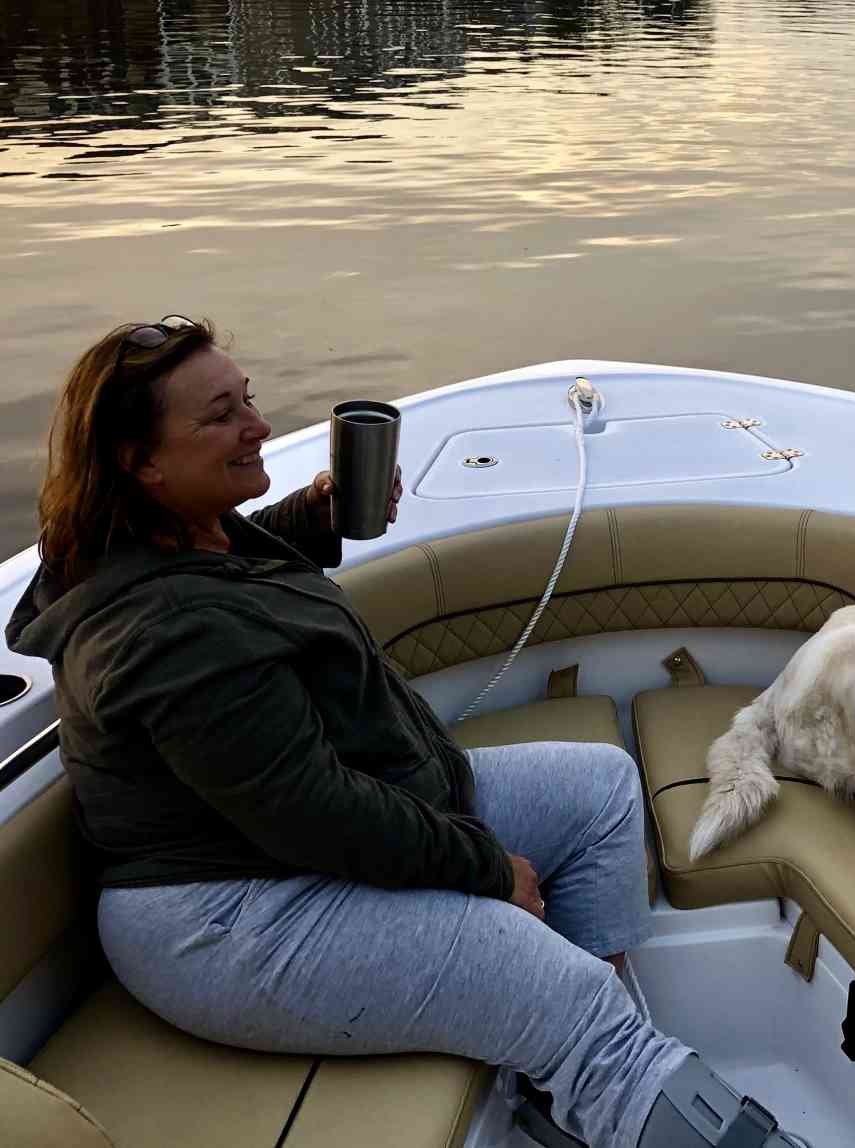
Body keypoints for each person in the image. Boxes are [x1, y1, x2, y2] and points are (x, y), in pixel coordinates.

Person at [6, 317, 810, 1148]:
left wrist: (316, 518)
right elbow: (313, 812)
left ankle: (568, 1064)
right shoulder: (167, 635)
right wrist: (488, 870)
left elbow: (234, 574)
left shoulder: (173, 532)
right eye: (220, 417)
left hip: (328, 826)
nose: (260, 428)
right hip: (228, 914)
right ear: (139, 460)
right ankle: (595, 1045)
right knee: (559, 990)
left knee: (600, 789)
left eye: (248, 400)